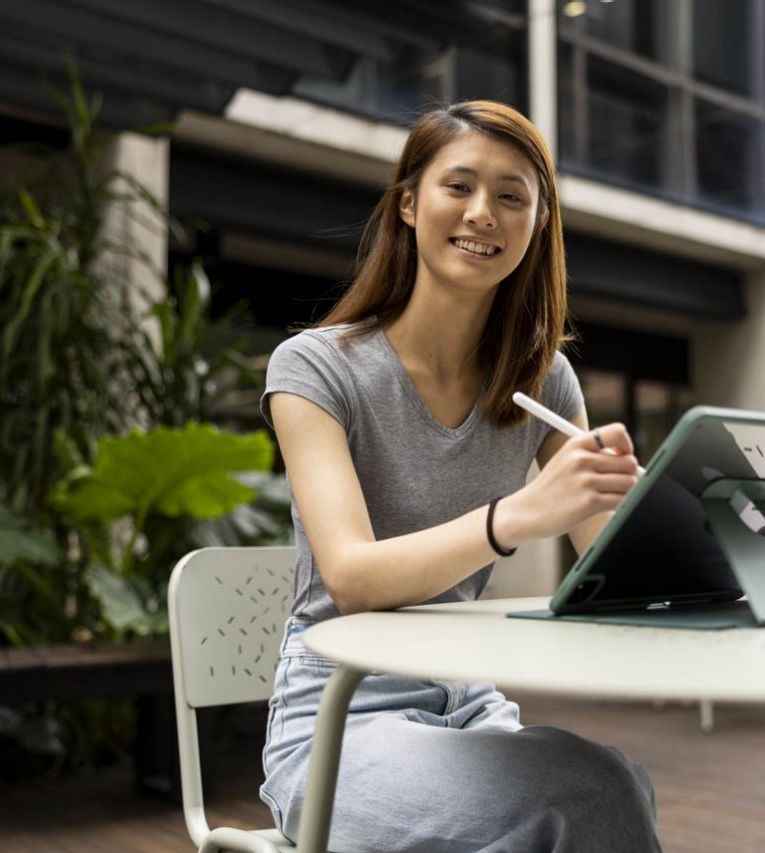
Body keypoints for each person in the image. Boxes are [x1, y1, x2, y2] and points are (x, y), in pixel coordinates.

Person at [259, 99, 660, 852]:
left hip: (469, 704)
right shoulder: (315, 368)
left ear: (537, 225)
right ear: (408, 203)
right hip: (338, 719)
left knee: (613, 782)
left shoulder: (544, 381)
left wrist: (747, 526)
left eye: (512, 197)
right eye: (460, 187)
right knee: (588, 793)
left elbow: (625, 574)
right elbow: (352, 577)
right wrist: (517, 515)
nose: (484, 214)